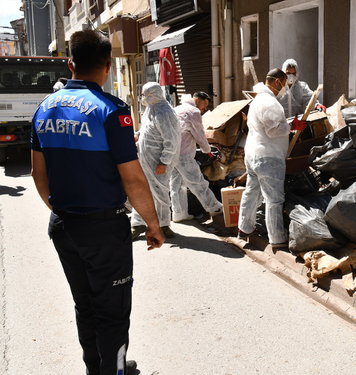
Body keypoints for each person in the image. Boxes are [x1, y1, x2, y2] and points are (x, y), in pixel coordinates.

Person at [31, 29, 164, 375]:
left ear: (70, 63)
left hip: (63, 225)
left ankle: (99, 368)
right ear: (107, 66)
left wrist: (63, 211)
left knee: (85, 305)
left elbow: (38, 175)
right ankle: (114, 370)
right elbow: (133, 179)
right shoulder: (110, 111)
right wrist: (152, 224)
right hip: (102, 230)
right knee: (113, 311)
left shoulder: (44, 109)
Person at [237, 68, 308, 249]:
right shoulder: (269, 102)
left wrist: (289, 125)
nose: (285, 87)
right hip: (268, 158)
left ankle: (244, 228)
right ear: (277, 82)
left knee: (251, 193)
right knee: (274, 199)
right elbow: (273, 129)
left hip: (253, 155)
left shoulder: (257, 100)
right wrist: (292, 126)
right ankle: (277, 237)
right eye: (284, 83)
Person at [130, 82, 181, 239]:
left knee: (160, 193)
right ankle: (137, 223)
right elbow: (147, 129)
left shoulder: (164, 113)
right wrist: (138, 135)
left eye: (146, 94)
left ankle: (164, 225)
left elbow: (172, 140)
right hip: (146, 160)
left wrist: (164, 161)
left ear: (154, 94)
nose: (144, 97)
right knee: (142, 191)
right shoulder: (151, 109)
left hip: (158, 162)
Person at [169, 91, 223, 222]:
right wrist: (207, 150)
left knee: (176, 185)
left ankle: (179, 214)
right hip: (184, 154)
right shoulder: (193, 112)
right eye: (204, 104)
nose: (205, 108)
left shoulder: (176, 109)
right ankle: (214, 207)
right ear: (197, 99)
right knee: (198, 182)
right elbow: (200, 135)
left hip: (171, 154)